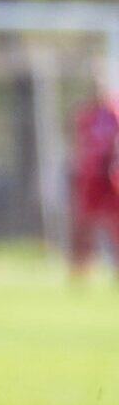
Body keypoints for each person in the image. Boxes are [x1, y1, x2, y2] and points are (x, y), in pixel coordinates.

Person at [70, 74, 119, 282]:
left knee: (114, 222)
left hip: (111, 176)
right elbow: (78, 145)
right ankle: (81, 268)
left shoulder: (114, 111)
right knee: (84, 222)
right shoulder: (85, 115)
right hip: (90, 177)